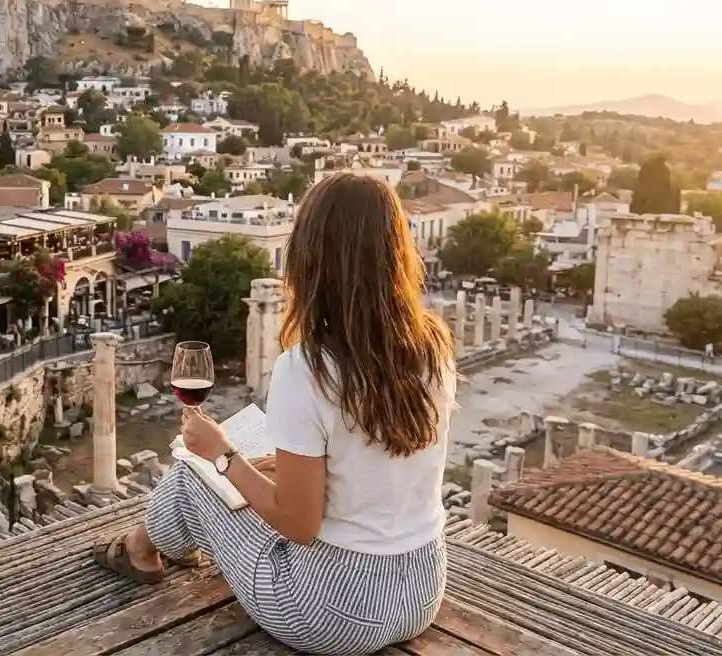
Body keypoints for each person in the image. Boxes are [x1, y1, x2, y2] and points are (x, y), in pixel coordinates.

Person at [93, 173, 456, 655]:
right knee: (235, 471)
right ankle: (160, 544)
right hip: (419, 591)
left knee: (190, 476)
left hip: (331, 613)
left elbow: (299, 524)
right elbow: (371, 464)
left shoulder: (307, 369)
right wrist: (274, 468)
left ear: (310, 258)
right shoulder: (433, 345)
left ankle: (141, 551)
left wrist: (223, 455)